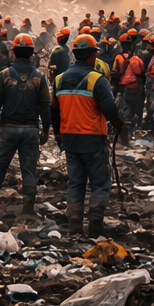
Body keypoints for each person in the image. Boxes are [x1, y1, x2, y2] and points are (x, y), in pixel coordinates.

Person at [51, 34, 124, 237]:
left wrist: (58, 134)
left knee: (76, 183)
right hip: (92, 138)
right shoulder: (96, 79)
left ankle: (74, 227)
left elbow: (54, 111)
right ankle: (94, 227)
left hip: (69, 139)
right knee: (100, 183)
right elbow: (110, 108)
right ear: (92, 55)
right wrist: (119, 126)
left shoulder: (58, 80)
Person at [0, 34, 51, 215]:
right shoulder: (39, 77)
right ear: (31, 54)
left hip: (8, 129)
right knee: (28, 170)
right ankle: (28, 208)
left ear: (13, 52)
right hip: (30, 130)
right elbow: (45, 106)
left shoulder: (4, 75)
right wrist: (45, 130)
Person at [114, 30, 148, 136]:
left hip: (124, 88)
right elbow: (143, 73)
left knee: (125, 112)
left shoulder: (118, 58)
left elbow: (115, 73)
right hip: (138, 88)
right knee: (137, 113)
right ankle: (136, 131)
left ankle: (125, 133)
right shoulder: (136, 58)